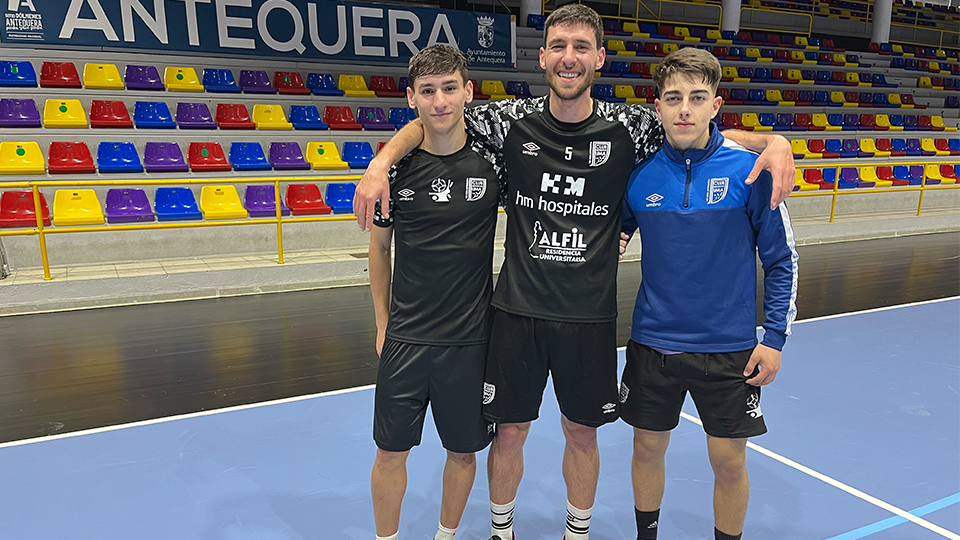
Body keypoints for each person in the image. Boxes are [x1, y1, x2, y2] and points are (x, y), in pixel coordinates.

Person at [356, 5, 797, 539]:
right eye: (559, 45)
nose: (570, 57)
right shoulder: (507, 121)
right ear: (543, 56)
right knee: (510, 433)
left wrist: (774, 143)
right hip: (516, 312)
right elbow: (435, 114)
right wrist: (381, 164)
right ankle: (502, 531)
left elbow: (698, 131)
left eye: (581, 46)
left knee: (581, 434)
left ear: (599, 58)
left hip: (588, 316)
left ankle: (577, 532)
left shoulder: (631, 126)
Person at [618, 47, 798, 540]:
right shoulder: (639, 177)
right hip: (653, 343)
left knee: (727, 461)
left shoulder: (749, 172)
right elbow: (612, 240)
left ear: (715, 106)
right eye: (673, 98)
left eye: (697, 98)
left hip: (729, 349)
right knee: (646, 451)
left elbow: (782, 259)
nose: (684, 109)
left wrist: (775, 337)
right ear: (657, 107)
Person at [368, 44, 505, 540]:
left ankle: (446, 535)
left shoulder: (494, 163)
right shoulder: (397, 172)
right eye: (428, 91)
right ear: (412, 98)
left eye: (450, 88)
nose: (440, 101)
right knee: (389, 452)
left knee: (464, 451)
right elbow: (379, 250)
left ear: (468, 91)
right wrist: (383, 323)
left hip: (471, 341)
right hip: (407, 340)